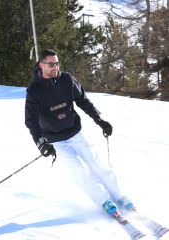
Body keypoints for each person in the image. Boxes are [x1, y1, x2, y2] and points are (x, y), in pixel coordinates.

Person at [25, 49, 134, 220]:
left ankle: (119, 195)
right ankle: (104, 201)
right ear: (41, 65)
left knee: (96, 162)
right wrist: (40, 142)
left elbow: (82, 100)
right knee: (79, 171)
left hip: (74, 132)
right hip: (56, 140)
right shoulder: (34, 90)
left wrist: (99, 120)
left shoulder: (66, 79)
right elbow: (31, 120)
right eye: (51, 64)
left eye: (57, 63)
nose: (55, 67)